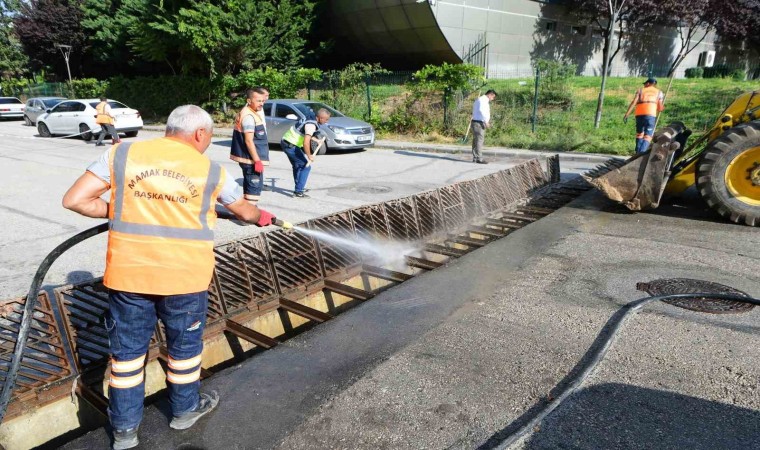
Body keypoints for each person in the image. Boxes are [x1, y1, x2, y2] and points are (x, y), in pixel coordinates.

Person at [62, 105, 276, 450]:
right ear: (200, 134)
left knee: (127, 357)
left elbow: (74, 200)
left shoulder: (122, 153)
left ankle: (125, 432)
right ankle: (184, 411)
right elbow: (245, 211)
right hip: (185, 279)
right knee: (184, 350)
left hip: (129, 277)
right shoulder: (210, 170)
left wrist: (115, 210)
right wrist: (260, 216)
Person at [230, 88, 268, 203]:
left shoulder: (250, 112)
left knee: (250, 185)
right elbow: (249, 141)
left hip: (249, 159)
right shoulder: (248, 117)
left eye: (262, 100)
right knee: (253, 187)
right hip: (250, 160)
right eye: (258, 101)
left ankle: (248, 212)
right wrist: (257, 161)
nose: (261, 103)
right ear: (249, 100)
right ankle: (248, 216)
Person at [280, 108, 330, 198]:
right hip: (291, 145)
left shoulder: (310, 118)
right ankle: (298, 191)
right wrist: (309, 155)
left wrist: (316, 140)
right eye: (326, 119)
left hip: (287, 142)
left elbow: (304, 133)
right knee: (306, 166)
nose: (327, 121)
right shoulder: (311, 125)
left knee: (297, 165)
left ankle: (299, 186)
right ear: (320, 118)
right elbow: (306, 142)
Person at [624, 77, 665, 153]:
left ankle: (637, 153)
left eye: (645, 84)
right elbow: (660, 108)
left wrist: (627, 114)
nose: (644, 86)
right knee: (648, 136)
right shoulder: (659, 93)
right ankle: (641, 154)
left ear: (648, 83)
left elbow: (634, 102)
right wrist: (661, 106)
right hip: (650, 115)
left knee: (639, 134)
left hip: (639, 115)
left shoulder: (640, 91)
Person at [471, 89, 496, 164]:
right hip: (479, 123)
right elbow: (482, 110)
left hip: (476, 122)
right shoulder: (483, 100)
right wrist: (486, 121)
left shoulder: (480, 99)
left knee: (476, 140)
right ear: (490, 94)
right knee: (479, 140)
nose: (493, 99)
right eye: (493, 97)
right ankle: (479, 158)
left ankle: (475, 157)